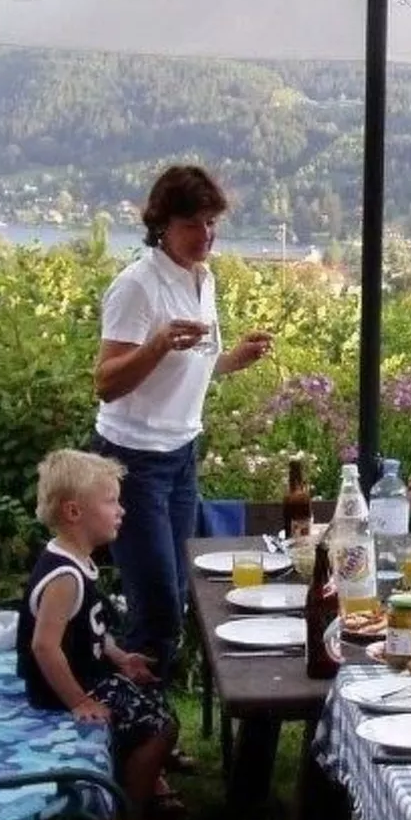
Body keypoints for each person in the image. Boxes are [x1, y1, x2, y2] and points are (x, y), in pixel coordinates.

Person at [90, 164, 273, 680]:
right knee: (156, 607)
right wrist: (155, 344)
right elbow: (106, 382)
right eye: (193, 224)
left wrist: (233, 358)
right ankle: (138, 737)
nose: (206, 235)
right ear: (162, 225)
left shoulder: (202, 278)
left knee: (173, 593)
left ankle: (153, 729)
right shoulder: (138, 287)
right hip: (132, 459)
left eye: (211, 222)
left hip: (181, 453)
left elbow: (188, 366)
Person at [17, 450, 181, 820]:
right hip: (60, 691)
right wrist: (79, 702)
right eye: (111, 501)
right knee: (161, 726)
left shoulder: (77, 559)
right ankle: (126, 818)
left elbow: (87, 627)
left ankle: (129, 782)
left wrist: (119, 657)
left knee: (152, 697)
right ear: (74, 512)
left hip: (86, 674)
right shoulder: (64, 577)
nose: (121, 510)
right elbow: (43, 647)